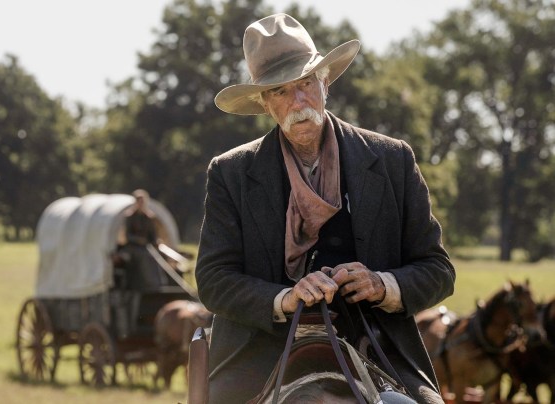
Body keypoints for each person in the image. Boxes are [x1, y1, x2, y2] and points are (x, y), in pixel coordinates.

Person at [195, 13, 455, 404]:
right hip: (260, 351)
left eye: (305, 84)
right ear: (265, 103)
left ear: (325, 82)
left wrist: (382, 285)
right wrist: (284, 299)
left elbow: (438, 271)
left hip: (376, 343)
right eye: (281, 92)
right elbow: (214, 280)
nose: (298, 101)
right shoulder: (230, 172)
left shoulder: (391, 159)